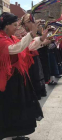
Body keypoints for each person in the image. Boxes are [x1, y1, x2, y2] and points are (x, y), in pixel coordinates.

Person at [0, 12, 48, 140]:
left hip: (16, 79)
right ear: (6, 26)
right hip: (7, 80)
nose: (17, 28)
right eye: (14, 25)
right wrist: (31, 33)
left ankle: (15, 133)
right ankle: (7, 134)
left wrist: (40, 38)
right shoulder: (1, 40)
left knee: (17, 107)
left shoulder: (11, 38)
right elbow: (17, 48)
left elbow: (28, 47)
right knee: (8, 107)